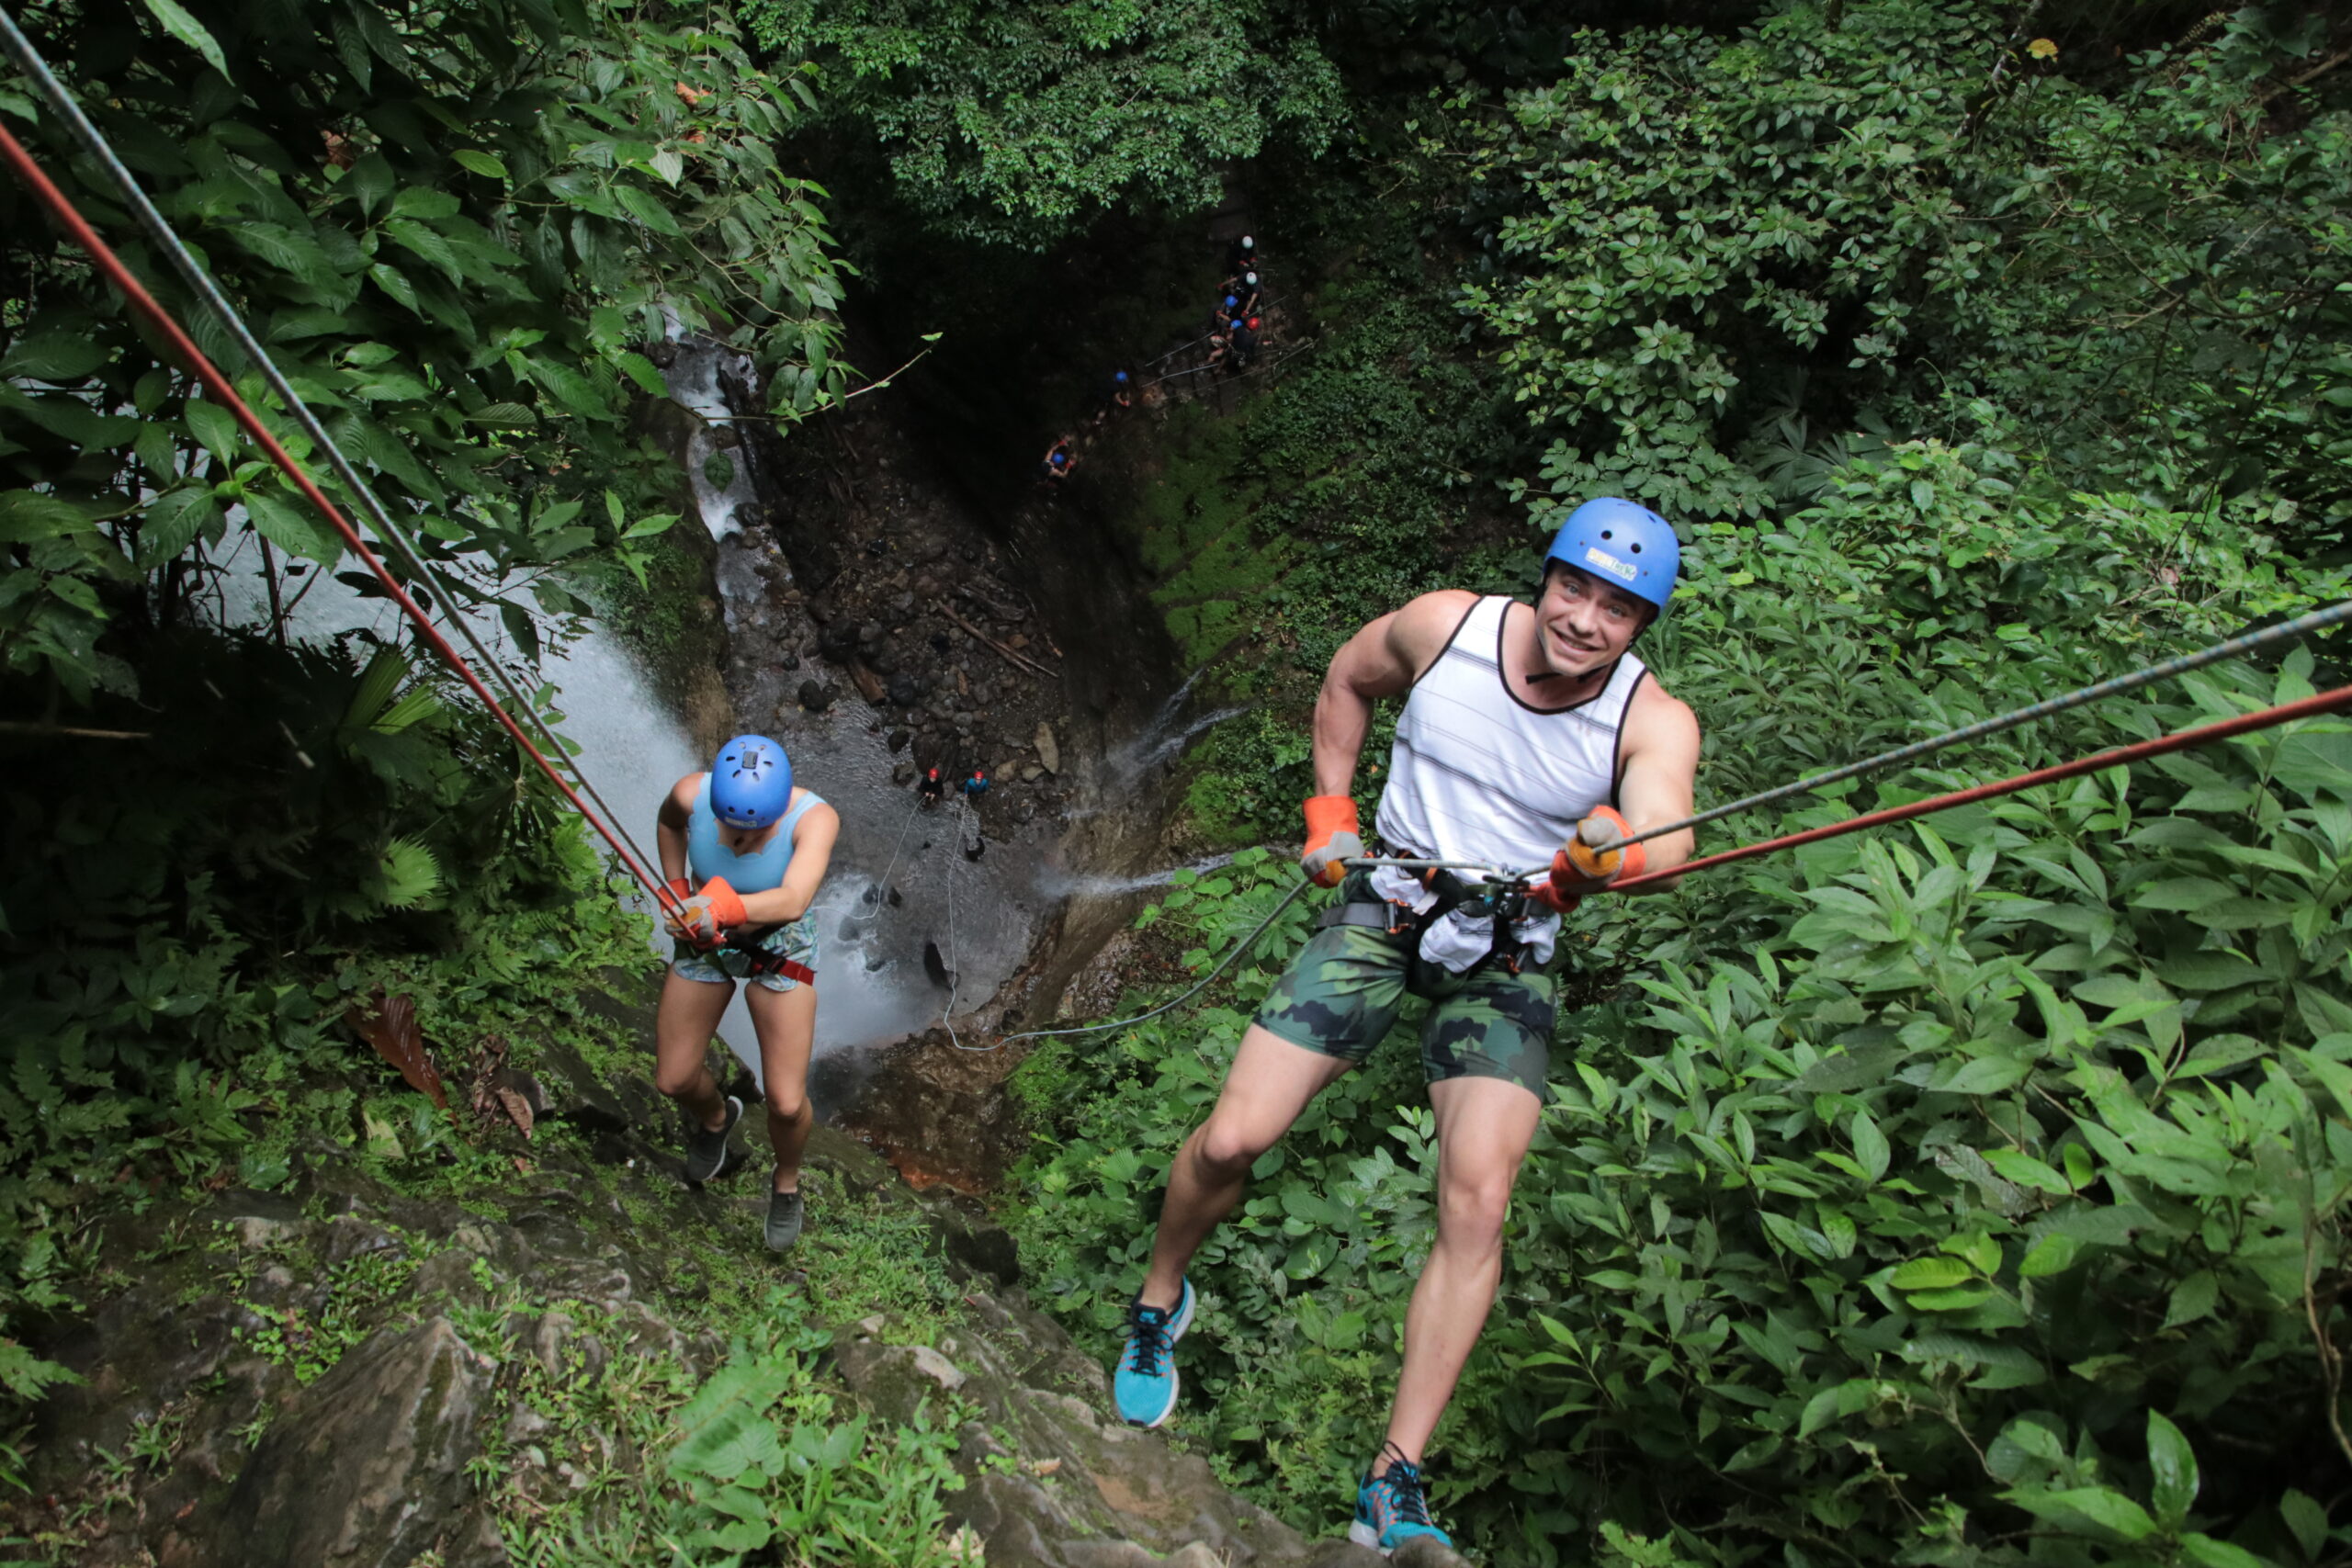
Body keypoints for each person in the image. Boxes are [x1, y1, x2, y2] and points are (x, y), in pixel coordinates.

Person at [1106, 499, 1700, 1553]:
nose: (1584, 620)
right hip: (1386, 907)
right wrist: (1328, 811)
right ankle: (1160, 1300)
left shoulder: (1648, 718)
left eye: (1617, 609)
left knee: (1478, 1197)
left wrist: (1610, 851)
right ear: (1546, 576)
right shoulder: (1447, 627)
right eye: (1575, 588)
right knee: (1234, 1136)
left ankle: (1395, 1477)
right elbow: (1347, 677)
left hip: (1507, 950)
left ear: (1641, 626)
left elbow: (1668, 826)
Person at [653, 734, 841, 1252]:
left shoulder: (815, 818)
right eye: (730, 825)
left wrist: (718, 908)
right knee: (672, 1078)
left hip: (778, 942)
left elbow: (793, 898)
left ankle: (786, 1183)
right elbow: (669, 824)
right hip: (704, 933)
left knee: (784, 1101)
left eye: (753, 830)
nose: (738, 836)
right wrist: (675, 886)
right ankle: (718, 1117)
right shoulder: (692, 795)